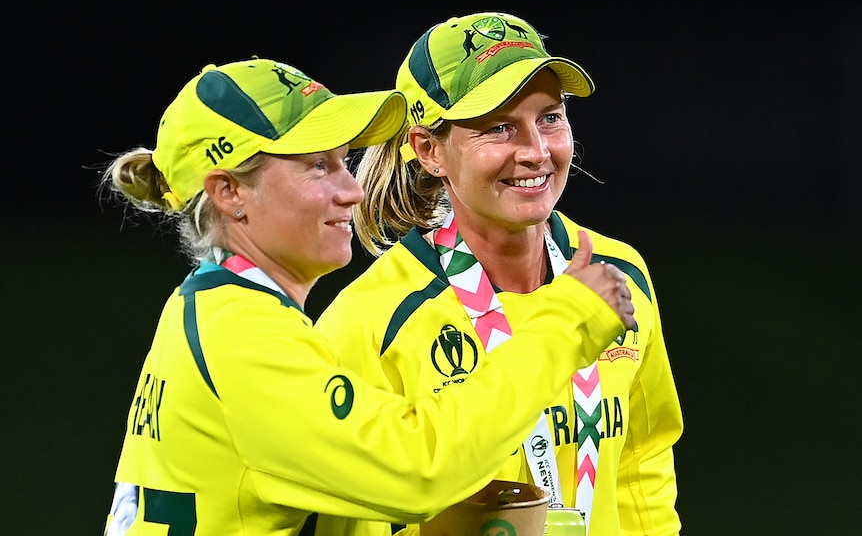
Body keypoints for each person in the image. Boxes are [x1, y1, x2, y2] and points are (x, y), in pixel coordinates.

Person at [99, 57, 636, 536]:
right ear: (231, 192)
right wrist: (571, 319)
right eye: (318, 166)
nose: (352, 190)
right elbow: (418, 470)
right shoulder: (243, 335)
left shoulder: (213, 311)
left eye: (342, 161)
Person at [315, 11, 684, 536]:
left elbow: (641, 464)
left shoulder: (618, 272)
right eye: (499, 127)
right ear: (429, 150)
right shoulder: (370, 322)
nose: (536, 151)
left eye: (550, 117)